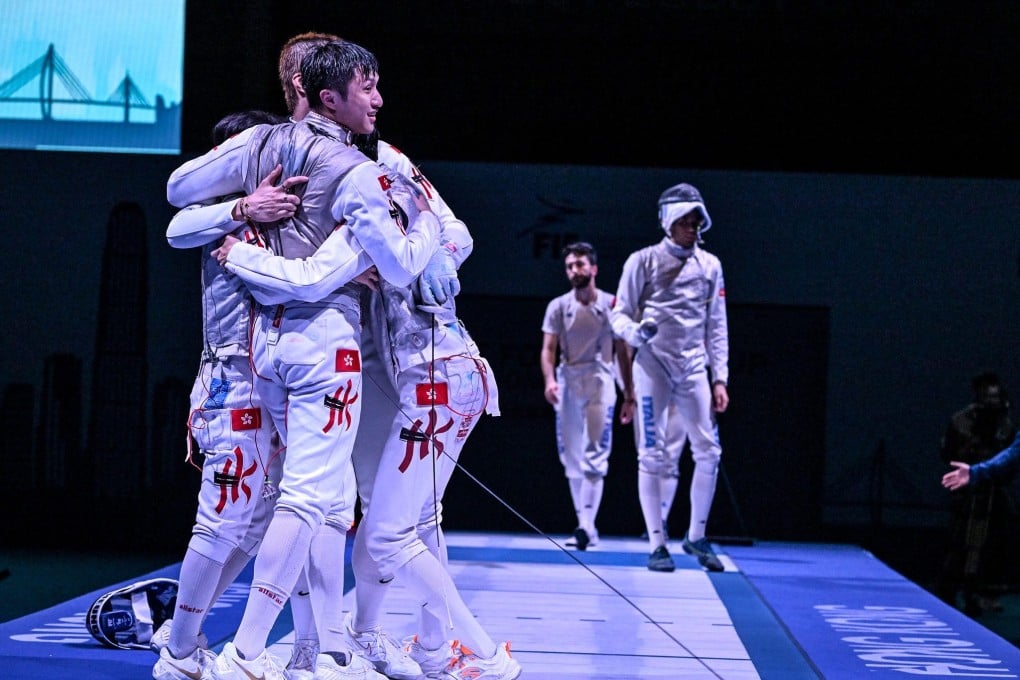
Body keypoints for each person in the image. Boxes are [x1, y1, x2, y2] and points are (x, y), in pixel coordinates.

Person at [213, 32, 521, 680]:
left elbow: (454, 231)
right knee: (349, 510)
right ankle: (342, 643)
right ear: (302, 88)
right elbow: (192, 205)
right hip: (340, 360)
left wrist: (432, 254)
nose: (372, 97)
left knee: (393, 520)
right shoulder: (268, 158)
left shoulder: (381, 161)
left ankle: (411, 644)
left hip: (407, 363)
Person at [167, 39, 441, 680]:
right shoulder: (355, 170)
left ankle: (311, 650)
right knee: (304, 502)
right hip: (317, 349)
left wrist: (241, 218)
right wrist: (423, 220)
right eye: (367, 87)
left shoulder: (260, 145)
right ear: (325, 94)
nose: (379, 100)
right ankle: (243, 653)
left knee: (304, 506)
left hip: (267, 352)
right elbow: (395, 266)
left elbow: (178, 190)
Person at [152, 110, 309, 680]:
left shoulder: (285, 212)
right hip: (232, 383)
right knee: (222, 520)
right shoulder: (215, 217)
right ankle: (179, 653)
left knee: (262, 522)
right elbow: (174, 228)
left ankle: (183, 632)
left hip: (276, 387)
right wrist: (245, 208)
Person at [611, 182, 730, 573]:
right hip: (653, 366)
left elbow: (717, 325)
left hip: (694, 366)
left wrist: (720, 378)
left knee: (709, 451)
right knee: (652, 454)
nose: (693, 227)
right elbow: (618, 315)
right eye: (686, 221)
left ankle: (696, 536)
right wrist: (636, 333)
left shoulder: (710, 266)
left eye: (697, 221)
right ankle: (657, 544)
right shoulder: (642, 261)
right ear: (669, 221)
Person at [540, 241, 631, 551]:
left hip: (600, 378)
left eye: (579, 264)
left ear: (593, 268)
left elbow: (622, 351)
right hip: (568, 379)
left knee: (595, 451)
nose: (574, 270)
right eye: (569, 266)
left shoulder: (611, 304)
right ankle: (585, 525)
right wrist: (550, 380)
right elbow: (548, 349)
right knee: (571, 455)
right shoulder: (558, 306)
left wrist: (629, 393)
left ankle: (586, 525)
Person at [938, 373, 1017, 616]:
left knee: (990, 544)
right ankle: (949, 589)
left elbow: (1010, 458)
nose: (992, 402)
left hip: (994, 490)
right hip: (966, 490)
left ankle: (980, 592)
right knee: (959, 541)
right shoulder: (961, 421)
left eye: (996, 397)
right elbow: (948, 451)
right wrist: (972, 471)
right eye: (987, 397)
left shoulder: (1005, 425)